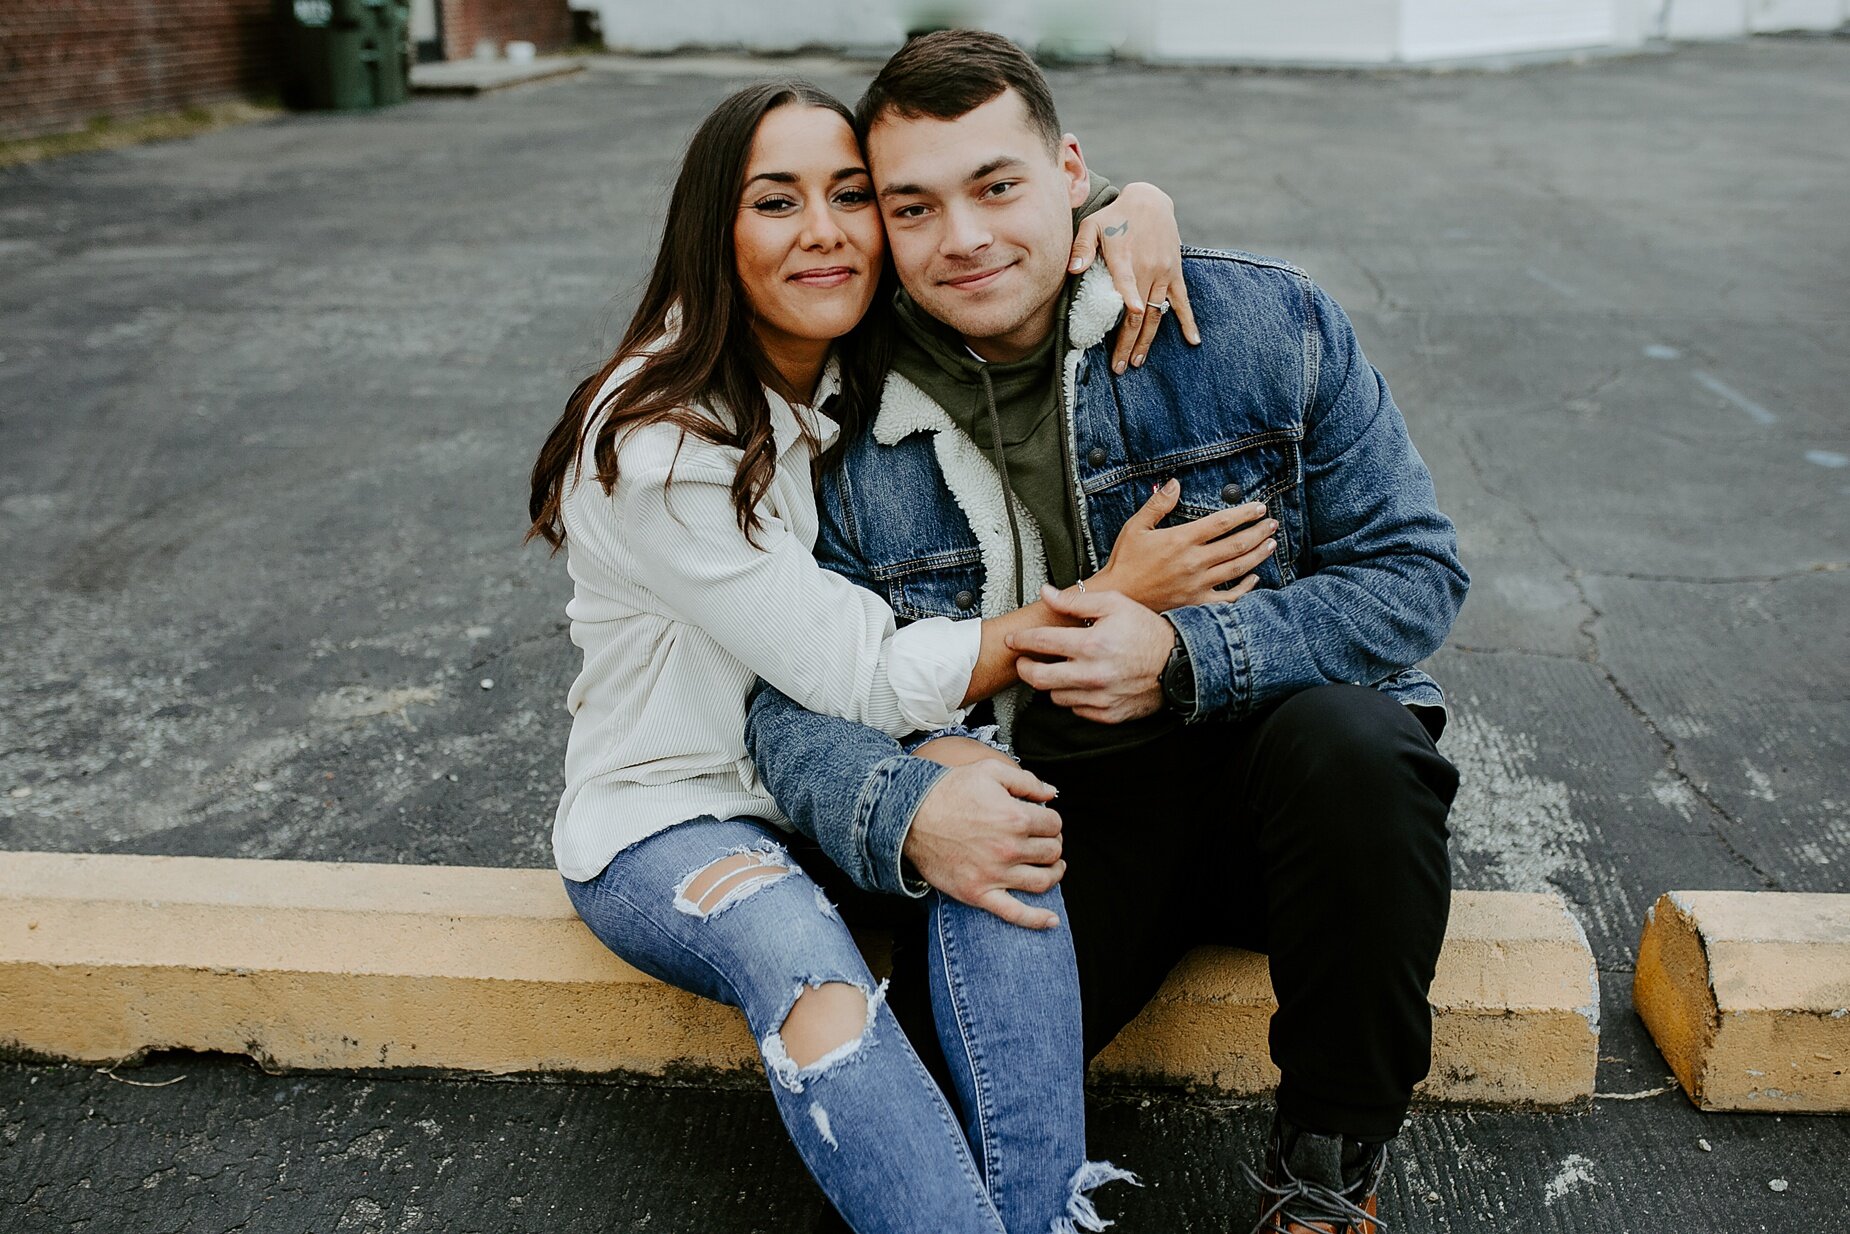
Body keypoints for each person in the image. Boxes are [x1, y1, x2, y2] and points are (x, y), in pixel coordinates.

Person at [746, 31, 1470, 1234]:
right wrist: (906, 808)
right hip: (1042, 830)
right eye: (914, 206)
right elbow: (786, 698)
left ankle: (1323, 1178)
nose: (964, 238)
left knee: (1359, 746)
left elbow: (1410, 573)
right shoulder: (833, 418)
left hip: (1267, 790)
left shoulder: (1256, 324)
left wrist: (1183, 659)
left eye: (996, 186)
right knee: (923, 1162)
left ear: (1070, 170)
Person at [524, 78, 1258, 1234]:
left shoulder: (842, 356)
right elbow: (849, 669)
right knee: (798, 952)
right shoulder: (660, 438)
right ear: (713, 231)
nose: (823, 230)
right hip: (673, 817)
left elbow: (989, 206)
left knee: (1002, 832)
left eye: (850, 196)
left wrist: (1124, 202)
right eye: (776, 202)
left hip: (829, 774)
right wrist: (1101, 602)